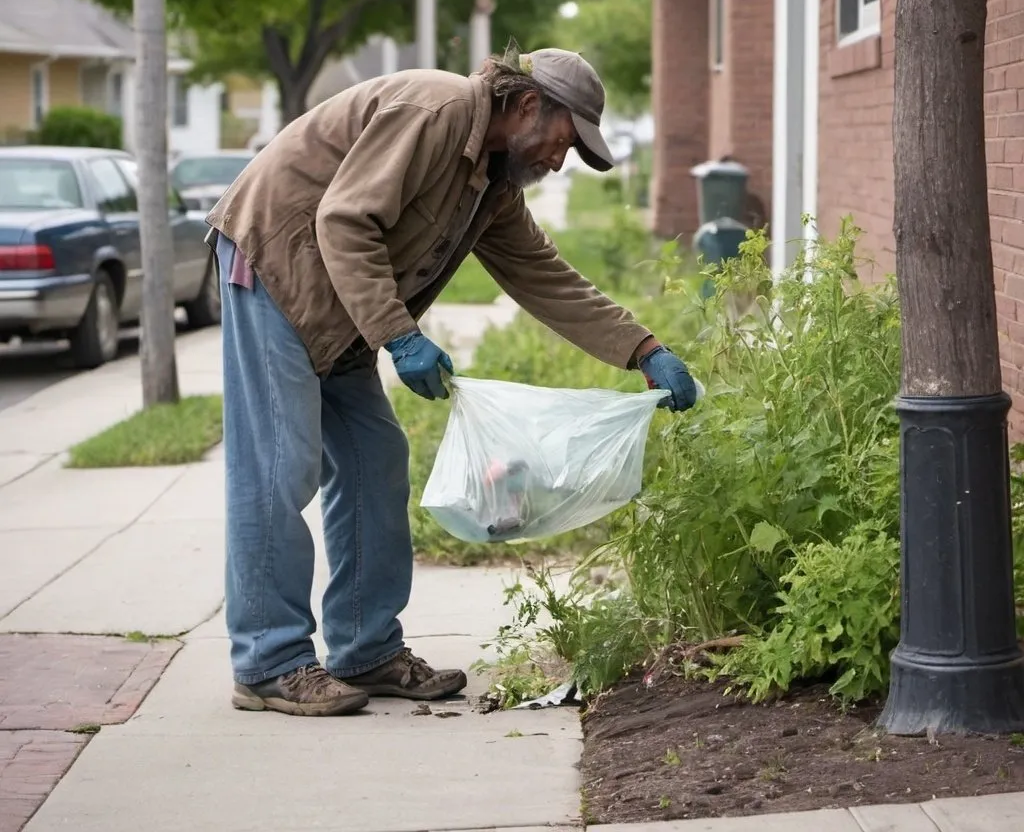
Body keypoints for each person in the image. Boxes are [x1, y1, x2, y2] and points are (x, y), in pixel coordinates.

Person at [204, 46, 698, 717]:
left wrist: (643, 349)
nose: (560, 161)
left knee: (376, 461)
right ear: (527, 105)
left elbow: (543, 276)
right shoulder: (435, 110)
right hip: (274, 267)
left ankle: (366, 647)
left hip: (345, 302)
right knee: (279, 466)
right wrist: (399, 335)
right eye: (563, 142)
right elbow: (344, 220)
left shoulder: (490, 185)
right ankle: (268, 661)